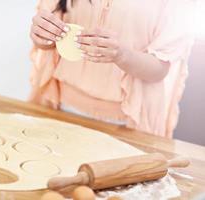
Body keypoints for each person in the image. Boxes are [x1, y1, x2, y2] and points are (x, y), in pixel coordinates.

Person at [29, 0, 194, 138]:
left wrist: (122, 55)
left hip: (127, 123)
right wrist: (42, 35)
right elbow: (49, 42)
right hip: (59, 108)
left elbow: (160, 69)